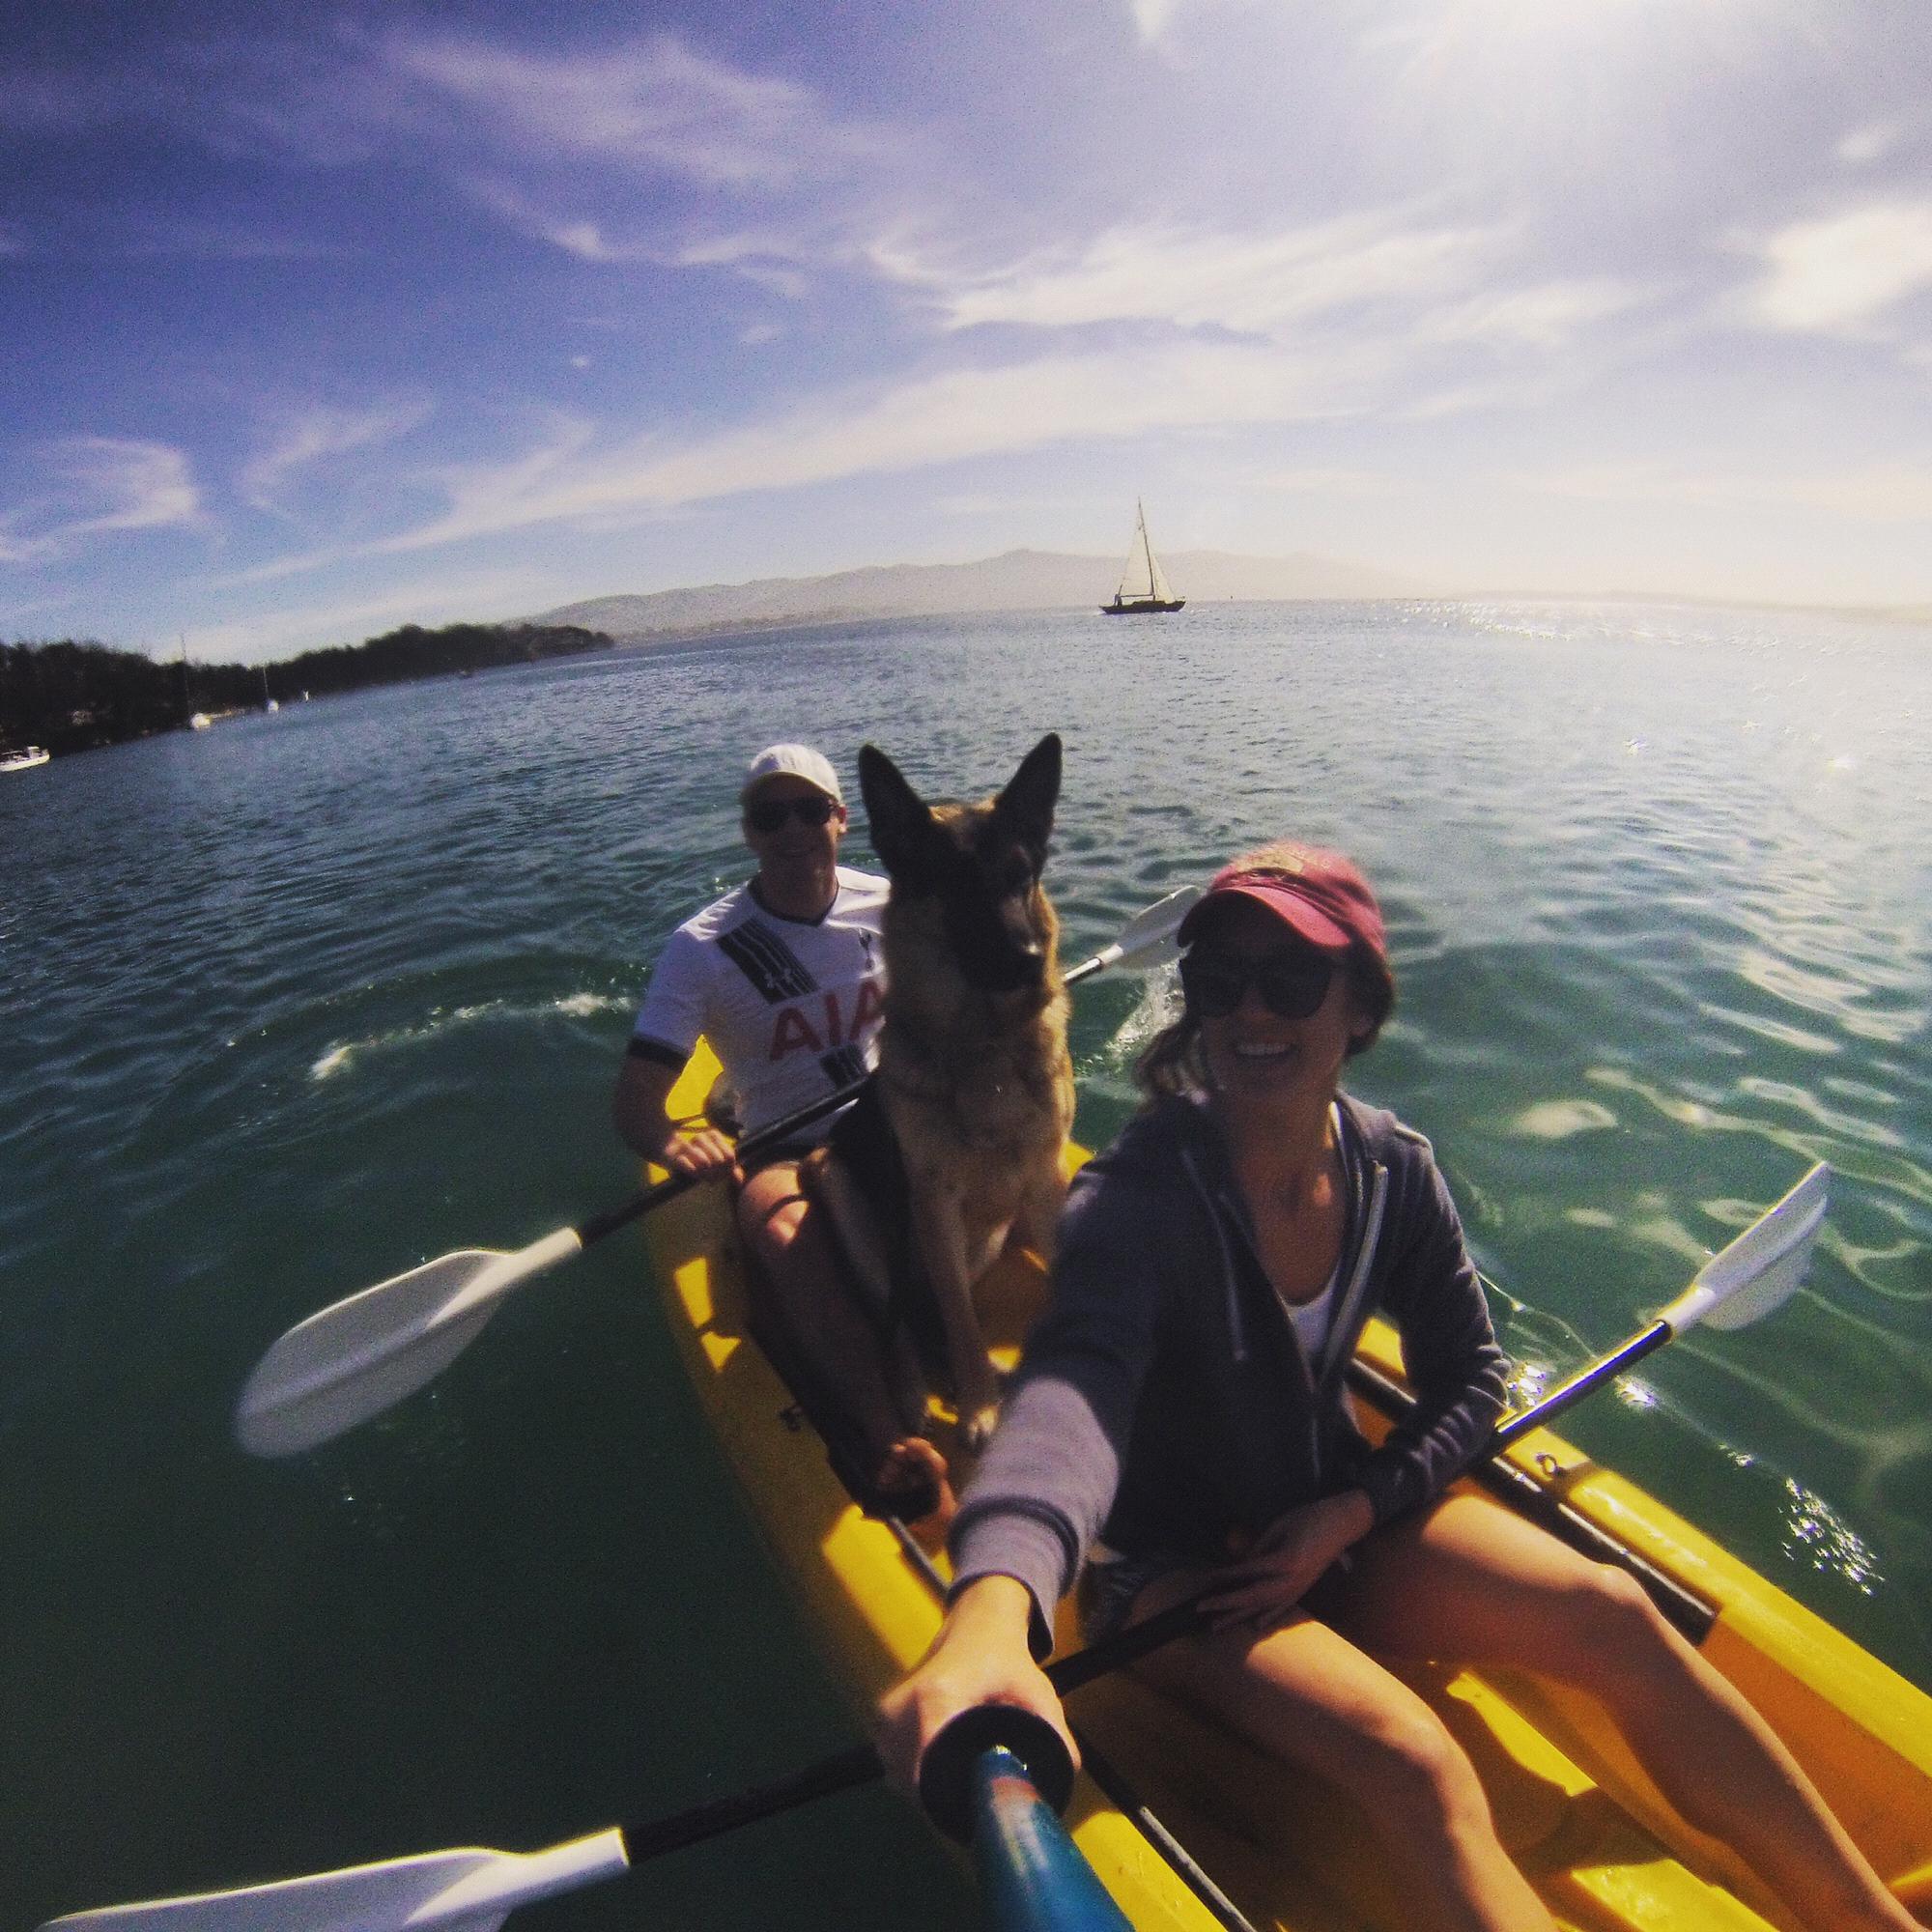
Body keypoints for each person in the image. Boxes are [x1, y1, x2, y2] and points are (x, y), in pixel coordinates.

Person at [878, 842, 1918, 1932]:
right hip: (1183, 1574)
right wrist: (995, 1610)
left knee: (1613, 1610)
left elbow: (1470, 1381)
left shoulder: (1391, 1167)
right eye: (1220, 977)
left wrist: (1351, 1509)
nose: (1249, 1008)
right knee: (1414, 1761)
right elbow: (1069, 1405)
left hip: (1330, 1521)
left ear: (1357, 1007)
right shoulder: (1136, 1193)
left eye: (1290, 978)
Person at [613, 743, 951, 1525]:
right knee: (778, 1223)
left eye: (809, 810)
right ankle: (887, 1437)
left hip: (895, 1116)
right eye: (770, 816)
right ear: (750, 834)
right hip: (784, 1143)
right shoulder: (700, 950)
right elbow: (635, 1104)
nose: (791, 829)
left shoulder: (892, 901)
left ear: (840, 818)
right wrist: (669, 1144)